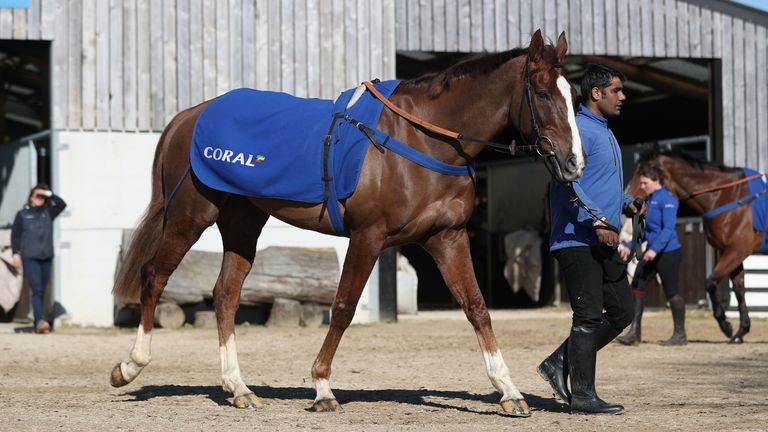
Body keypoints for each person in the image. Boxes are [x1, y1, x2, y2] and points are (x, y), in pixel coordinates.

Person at [537, 63, 639, 415]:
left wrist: (626, 203)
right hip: (576, 239)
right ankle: (582, 395)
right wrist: (597, 219)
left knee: (623, 310)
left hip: (603, 238)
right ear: (596, 93)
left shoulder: (603, 130)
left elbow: (598, 181)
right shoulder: (576, 129)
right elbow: (567, 183)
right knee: (588, 317)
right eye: (617, 90)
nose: (622, 96)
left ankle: (558, 362)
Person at [618, 164, 686, 346]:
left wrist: (654, 250)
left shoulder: (668, 200)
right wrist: (630, 246)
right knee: (637, 285)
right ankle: (634, 333)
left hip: (668, 253)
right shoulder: (650, 200)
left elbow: (668, 230)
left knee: (672, 292)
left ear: (656, 181)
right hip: (651, 252)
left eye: (644, 183)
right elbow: (646, 231)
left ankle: (680, 335)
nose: (642, 186)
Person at [11, 184, 67, 334]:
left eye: (43, 196)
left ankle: (38, 321)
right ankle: (41, 321)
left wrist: (49, 193)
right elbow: (15, 235)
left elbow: (62, 204)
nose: (40, 198)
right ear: (31, 197)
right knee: (37, 289)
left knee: (41, 291)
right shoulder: (22, 214)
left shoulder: (48, 212)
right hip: (30, 257)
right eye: (37, 195)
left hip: (46, 257)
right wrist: (15, 254)